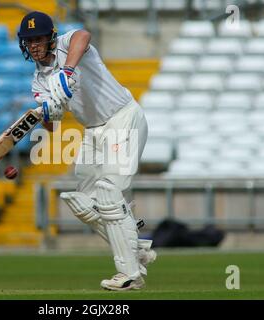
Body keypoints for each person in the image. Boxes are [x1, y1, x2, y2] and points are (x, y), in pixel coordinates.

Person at [18, 11, 156, 291]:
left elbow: (84, 35)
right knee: (84, 202)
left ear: (51, 38)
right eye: (28, 41)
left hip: (122, 118)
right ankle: (137, 250)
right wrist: (49, 111)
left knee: (108, 192)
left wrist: (67, 71)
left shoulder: (69, 44)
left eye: (39, 39)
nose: (34, 45)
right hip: (93, 131)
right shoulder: (39, 81)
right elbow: (53, 127)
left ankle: (130, 273)